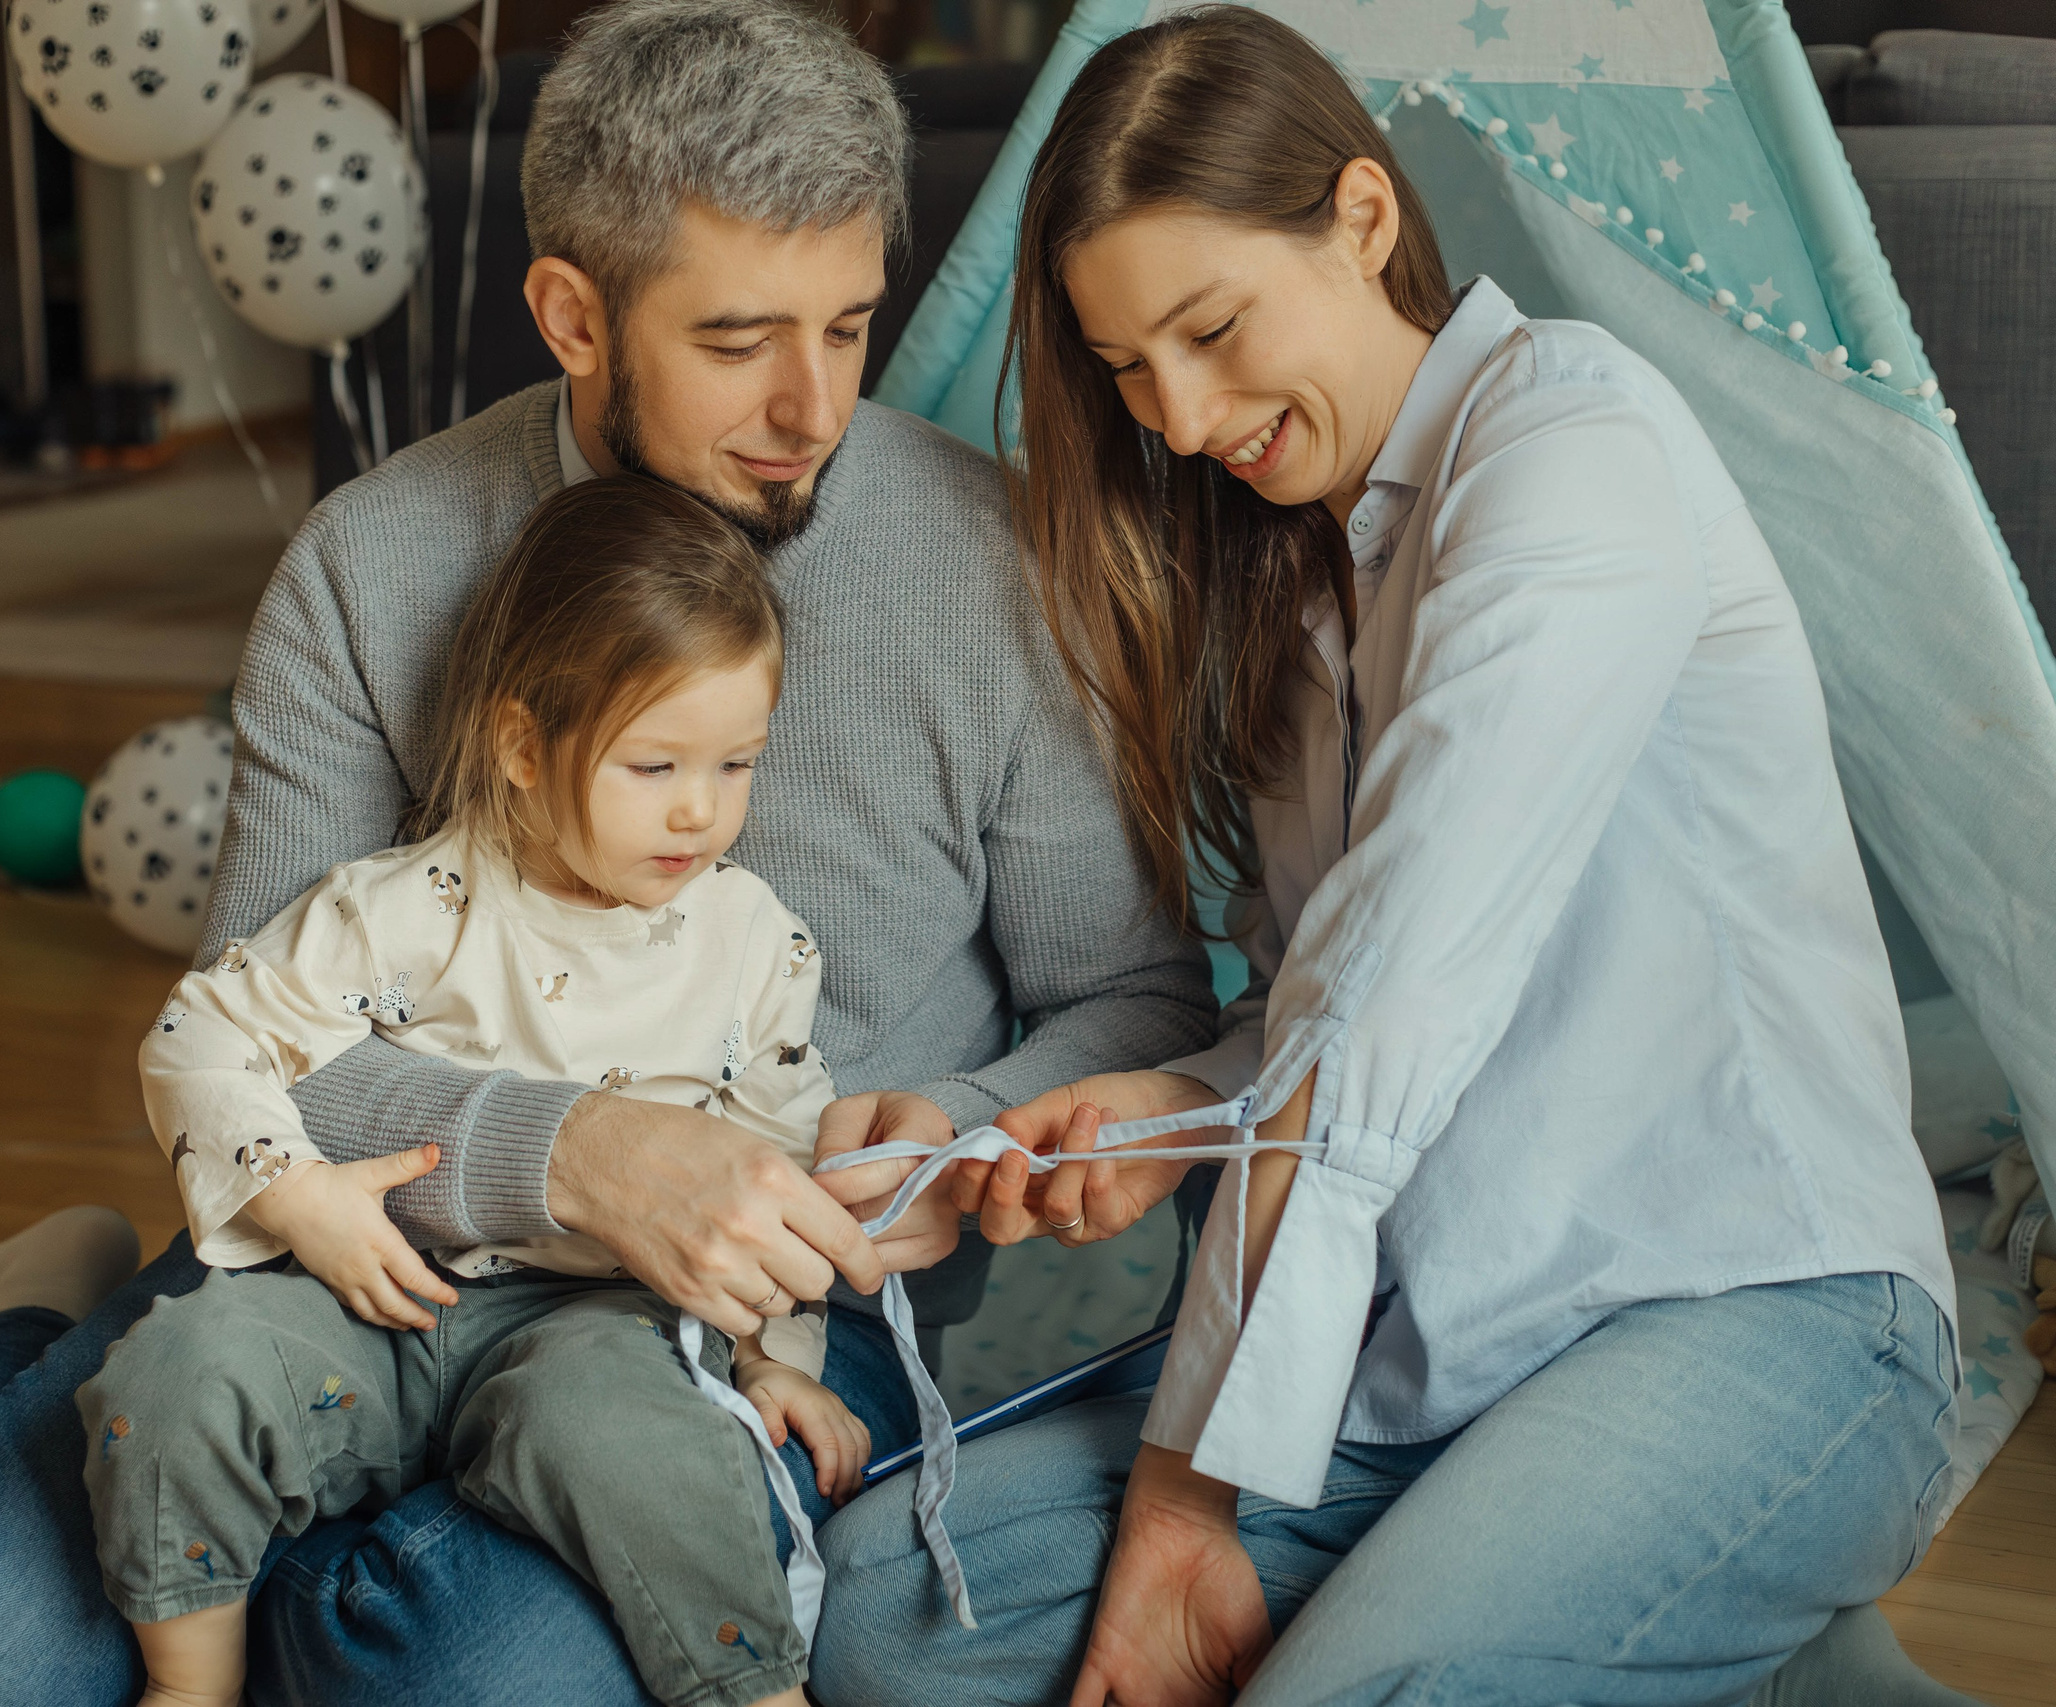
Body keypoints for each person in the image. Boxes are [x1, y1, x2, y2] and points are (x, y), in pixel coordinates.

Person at [0, 4, 1219, 1703]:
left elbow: (1138, 997)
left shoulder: (999, 568)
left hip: (713, 1323)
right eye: (739, 338)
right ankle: (38, 1312)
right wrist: (577, 1150)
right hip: (359, 1247)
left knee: (446, 1670)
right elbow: (258, 1016)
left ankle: (284, 1553)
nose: (811, 405)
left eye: (850, 324)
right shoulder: (376, 558)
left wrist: (955, 1134)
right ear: (572, 315)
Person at [808, 10, 1967, 1705]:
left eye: (1210, 330)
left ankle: (1654, 1606)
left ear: (1361, 217)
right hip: (1434, 1349)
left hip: (1751, 1299)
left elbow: (1377, 1021)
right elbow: (1299, 1014)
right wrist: (1148, 1105)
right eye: (1131, 370)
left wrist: (1187, 1498)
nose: (1184, 418)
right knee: (882, 1606)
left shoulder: (1574, 455)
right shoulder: (1292, 589)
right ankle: (1703, 1644)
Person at [88, 475, 888, 1707]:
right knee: (178, 1370)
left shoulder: (752, 941)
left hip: (602, 1327)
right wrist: (297, 1197)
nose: (698, 808)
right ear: (523, 744)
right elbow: (202, 1036)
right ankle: (190, 1687)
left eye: (736, 763)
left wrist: (776, 1360)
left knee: (647, 1453)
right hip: (380, 1298)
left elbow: (770, 1175)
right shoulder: (405, 907)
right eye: (652, 763)